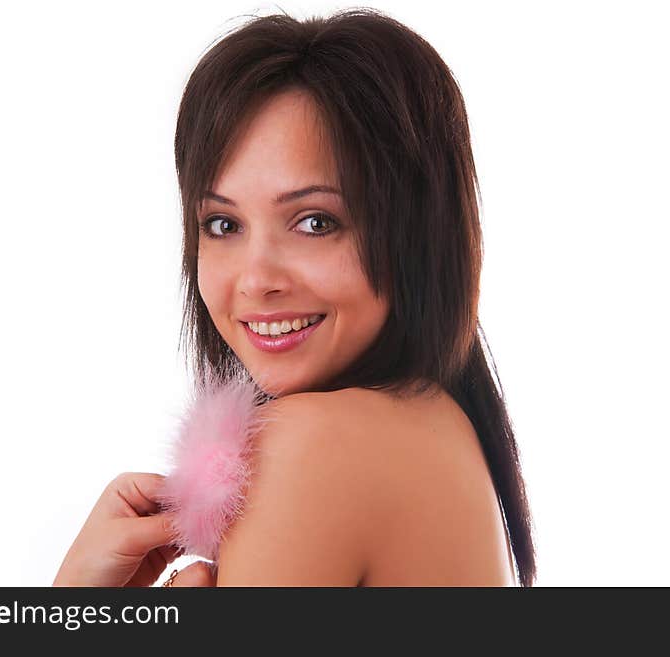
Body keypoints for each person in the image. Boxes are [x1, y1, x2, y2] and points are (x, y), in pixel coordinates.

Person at [55, 7, 537, 587]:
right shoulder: (441, 423)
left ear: (417, 232)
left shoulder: (310, 445)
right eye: (223, 225)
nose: (256, 280)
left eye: (314, 222)